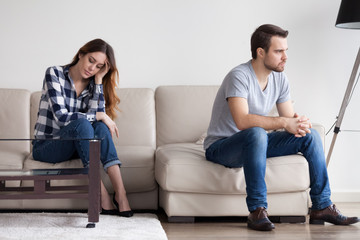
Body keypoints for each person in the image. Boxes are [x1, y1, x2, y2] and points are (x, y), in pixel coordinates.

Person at [204, 24, 359, 231]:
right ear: (261, 52)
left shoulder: (280, 77)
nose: (285, 57)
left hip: (257, 143)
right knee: (257, 133)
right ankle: (257, 210)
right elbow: (242, 121)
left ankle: (322, 206)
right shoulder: (239, 76)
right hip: (222, 147)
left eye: (286, 51)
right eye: (279, 51)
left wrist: (299, 124)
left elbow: (288, 120)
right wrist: (285, 122)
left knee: (311, 135)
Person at [32, 38, 133, 217]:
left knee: (100, 128)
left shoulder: (93, 82)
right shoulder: (54, 73)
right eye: (91, 60)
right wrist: (99, 116)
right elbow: (62, 117)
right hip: (48, 146)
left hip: (76, 145)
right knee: (83, 124)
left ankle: (121, 194)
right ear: (81, 54)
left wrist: (99, 81)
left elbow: (98, 118)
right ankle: (102, 195)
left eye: (99, 66)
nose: (92, 68)